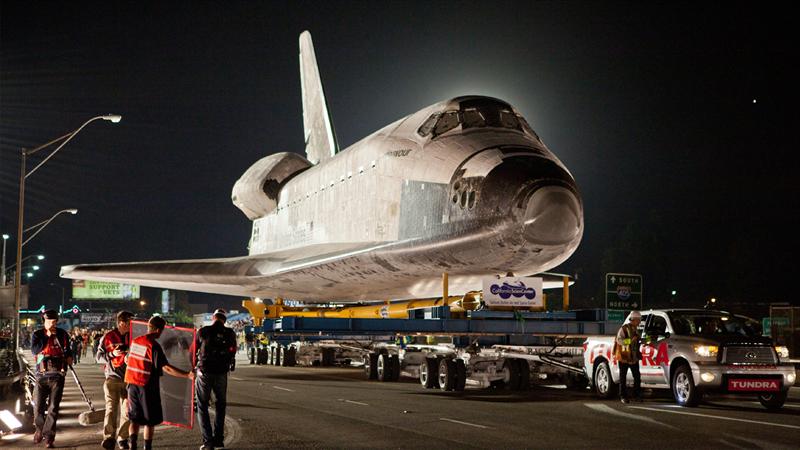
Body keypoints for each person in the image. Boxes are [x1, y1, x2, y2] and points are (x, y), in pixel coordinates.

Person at [125, 315, 193, 450]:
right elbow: (166, 367)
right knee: (150, 421)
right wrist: (187, 375)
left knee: (134, 419)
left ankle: (132, 446)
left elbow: (127, 360)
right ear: (158, 330)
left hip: (132, 385)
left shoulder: (136, 341)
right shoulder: (153, 346)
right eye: (162, 330)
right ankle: (147, 447)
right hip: (146, 386)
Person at [194, 308, 238, 450]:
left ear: (213, 317)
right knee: (220, 405)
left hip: (204, 372)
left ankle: (208, 442)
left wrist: (192, 369)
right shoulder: (230, 333)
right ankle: (219, 440)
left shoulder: (203, 331)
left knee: (202, 406)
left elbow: (193, 350)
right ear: (224, 320)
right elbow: (233, 351)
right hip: (221, 373)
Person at [31, 309, 73, 448]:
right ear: (44, 320)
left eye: (54, 321)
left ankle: (49, 436)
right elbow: (35, 350)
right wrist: (47, 336)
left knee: (53, 407)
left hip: (58, 374)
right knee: (38, 406)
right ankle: (39, 430)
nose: (52, 323)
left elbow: (68, 350)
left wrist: (69, 357)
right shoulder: (37, 334)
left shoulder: (62, 334)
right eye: (50, 321)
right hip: (41, 375)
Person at [97, 311, 135, 449]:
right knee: (111, 409)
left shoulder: (134, 337)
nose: (131, 325)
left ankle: (123, 438)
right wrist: (113, 354)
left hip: (129, 379)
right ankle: (109, 438)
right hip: (112, 378)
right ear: (121, 323)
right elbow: (98, 357)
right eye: (129, 323)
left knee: (127, 410)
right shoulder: (108, 337)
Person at [614, 310, 642, 404]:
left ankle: (636, 395)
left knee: (637, 377)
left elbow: (638, 341)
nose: (639, 322)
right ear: (633, 319)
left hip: (633, 357)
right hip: (624, 357)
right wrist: (630, 340)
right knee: (623, 378)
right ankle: (623, 396)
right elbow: (619, 341)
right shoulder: (624, 329)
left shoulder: (636, 329)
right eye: (638, 320)